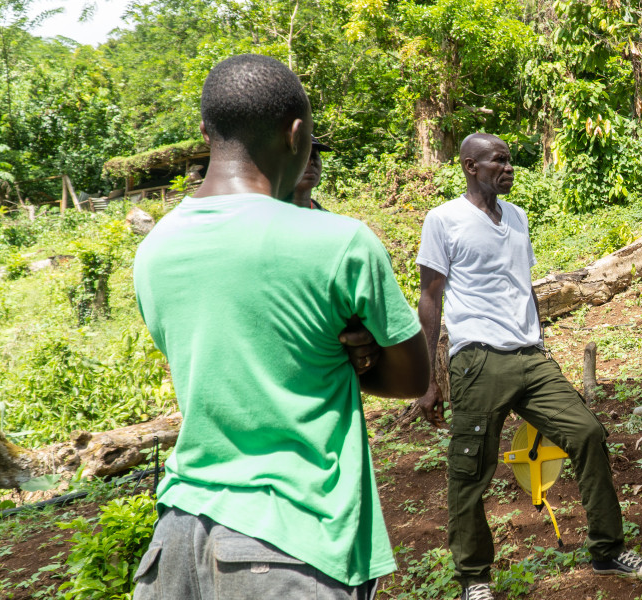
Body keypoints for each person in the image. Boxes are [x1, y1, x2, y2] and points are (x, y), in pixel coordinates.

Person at [131, 54, 431, 598]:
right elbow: (414, 378)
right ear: (296, 135)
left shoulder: (154, 251)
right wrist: (354, 357)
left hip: (175, 540)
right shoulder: (339, 242)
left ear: (206, 132)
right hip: (291, 541)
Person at [411, 132, 642, 600]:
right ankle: (474, 579)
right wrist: (428, 379)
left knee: (587, 433)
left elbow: (521, 286)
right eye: (498, 161)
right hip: (478, 360)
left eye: (510, 160)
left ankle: (607, 550)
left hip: (530, 357)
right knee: (470, 470)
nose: (508, 168)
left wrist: (541, 343)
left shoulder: (518, 217)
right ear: (470, 166)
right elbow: (430, 297)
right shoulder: (444, 219)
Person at [292, 136, 332, 209]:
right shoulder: (270, 212)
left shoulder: (325, 215)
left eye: (314, 156)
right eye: (302, 156)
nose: (310, 162)